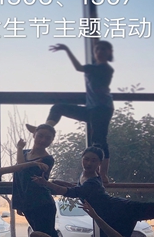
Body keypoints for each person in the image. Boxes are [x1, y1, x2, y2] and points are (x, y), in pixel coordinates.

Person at [12, 125, 85, 237]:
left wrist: (19, 148)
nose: (43, 140)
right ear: (34, 135)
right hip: (29, 206)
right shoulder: (25, 153)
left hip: (43, 205)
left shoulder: (47, 159)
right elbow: (18, 178)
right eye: (41, 136)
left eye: (48, 138)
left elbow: (21, 168)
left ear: (52, 140)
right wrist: (19, 204)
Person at [27, 40, 114, 183]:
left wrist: (66, 49)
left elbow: (79, 68)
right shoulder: (95, 67)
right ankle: (44, 128)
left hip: (102, 109)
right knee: (58, 108)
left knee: (99, 140)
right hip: (91, 109)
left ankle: (103, 174)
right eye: (97, 49)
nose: (99, 52)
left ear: (109, 52)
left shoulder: (104, 68)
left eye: (103, 49)